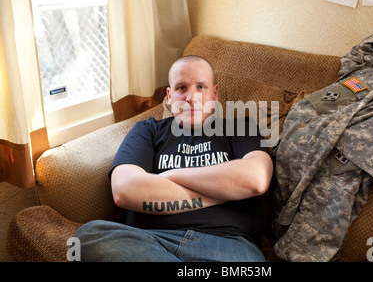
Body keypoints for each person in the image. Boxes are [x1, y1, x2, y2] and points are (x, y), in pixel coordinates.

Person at [74, 55, 273, 262]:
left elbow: (256, 179)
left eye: (201, 87)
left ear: (215, 93)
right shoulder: (147, 131)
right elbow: (125, 190)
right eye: (181, 88)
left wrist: (170, 175)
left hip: (229, 246)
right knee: (87, 237)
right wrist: (226, 190)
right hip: (150, 243)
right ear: (169, 96)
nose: (191, 97)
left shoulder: (240, 127)